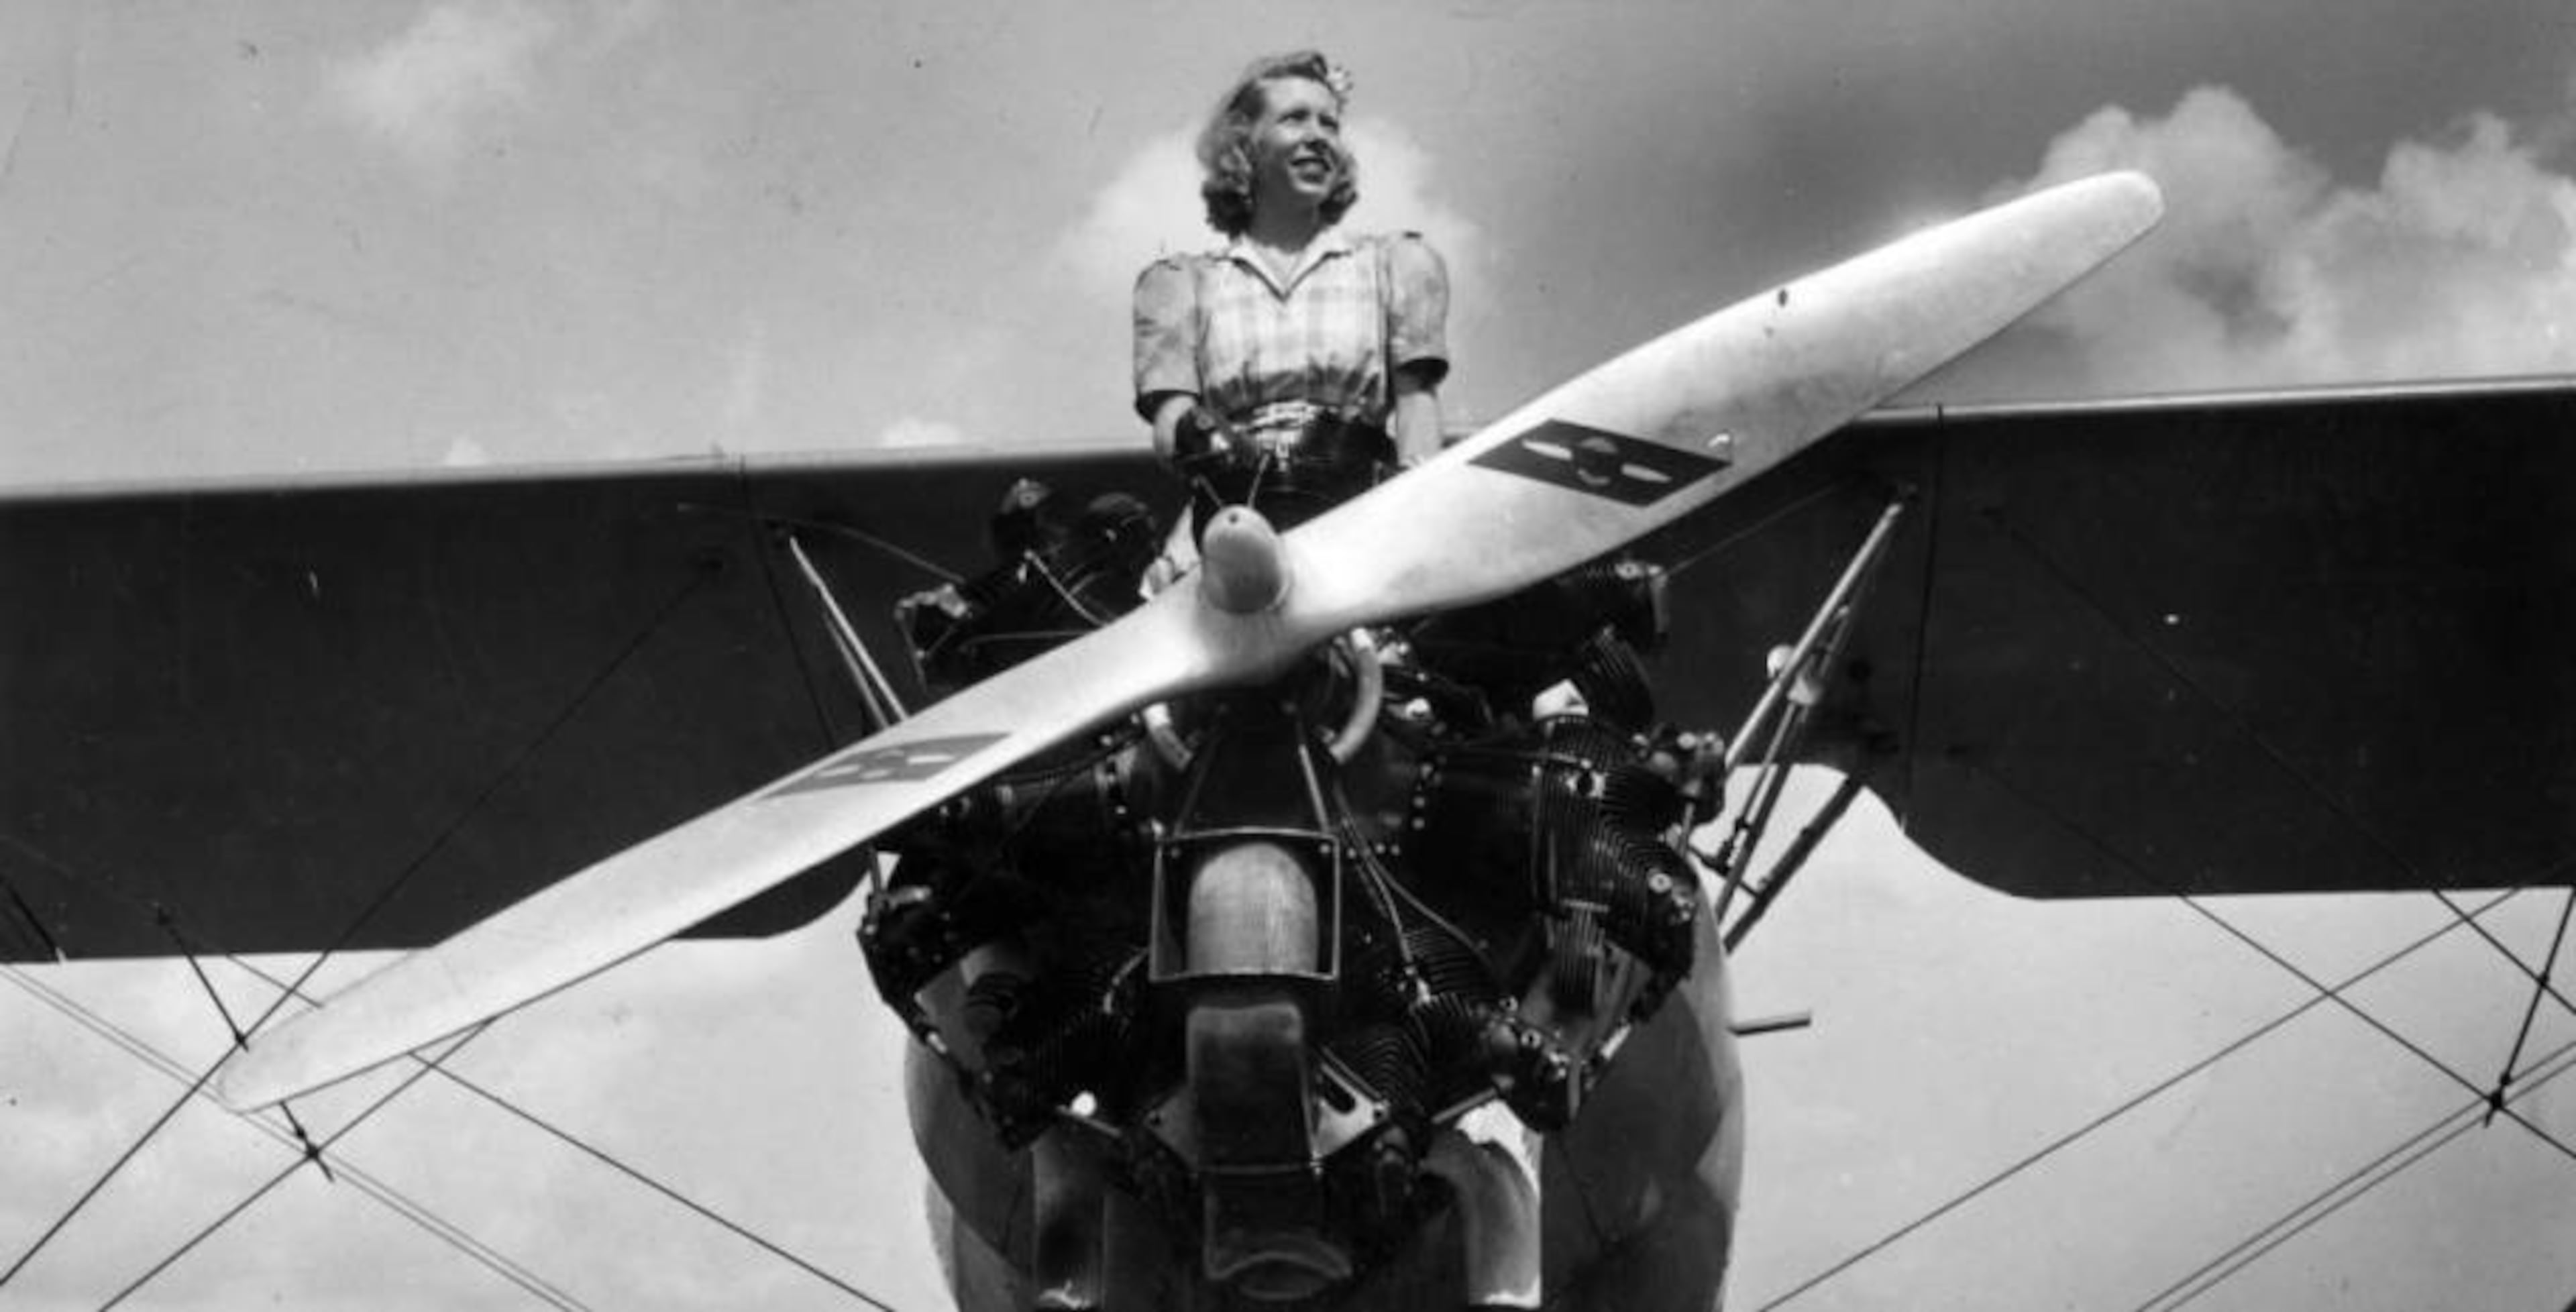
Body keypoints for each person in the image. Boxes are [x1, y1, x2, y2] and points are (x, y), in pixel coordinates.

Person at [1132, 50, 1451, 534]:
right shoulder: (1182, 282)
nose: (1318, 137)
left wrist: (1414, 521)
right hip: (1233, 520)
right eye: (1295, 119)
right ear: (1245, 145)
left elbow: (1416, 404)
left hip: (1360, 513)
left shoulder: (1395, 264)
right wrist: (1201, 437)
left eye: (1330, 124)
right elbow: (1172, 419)